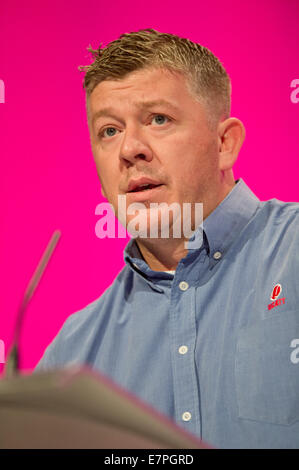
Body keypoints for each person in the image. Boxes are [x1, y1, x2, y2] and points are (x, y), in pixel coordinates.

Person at [35, 29, 299, 449]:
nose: (129, 149)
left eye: (158, 119)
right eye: (108, 131)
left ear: (224, 143)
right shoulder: (71, 356)